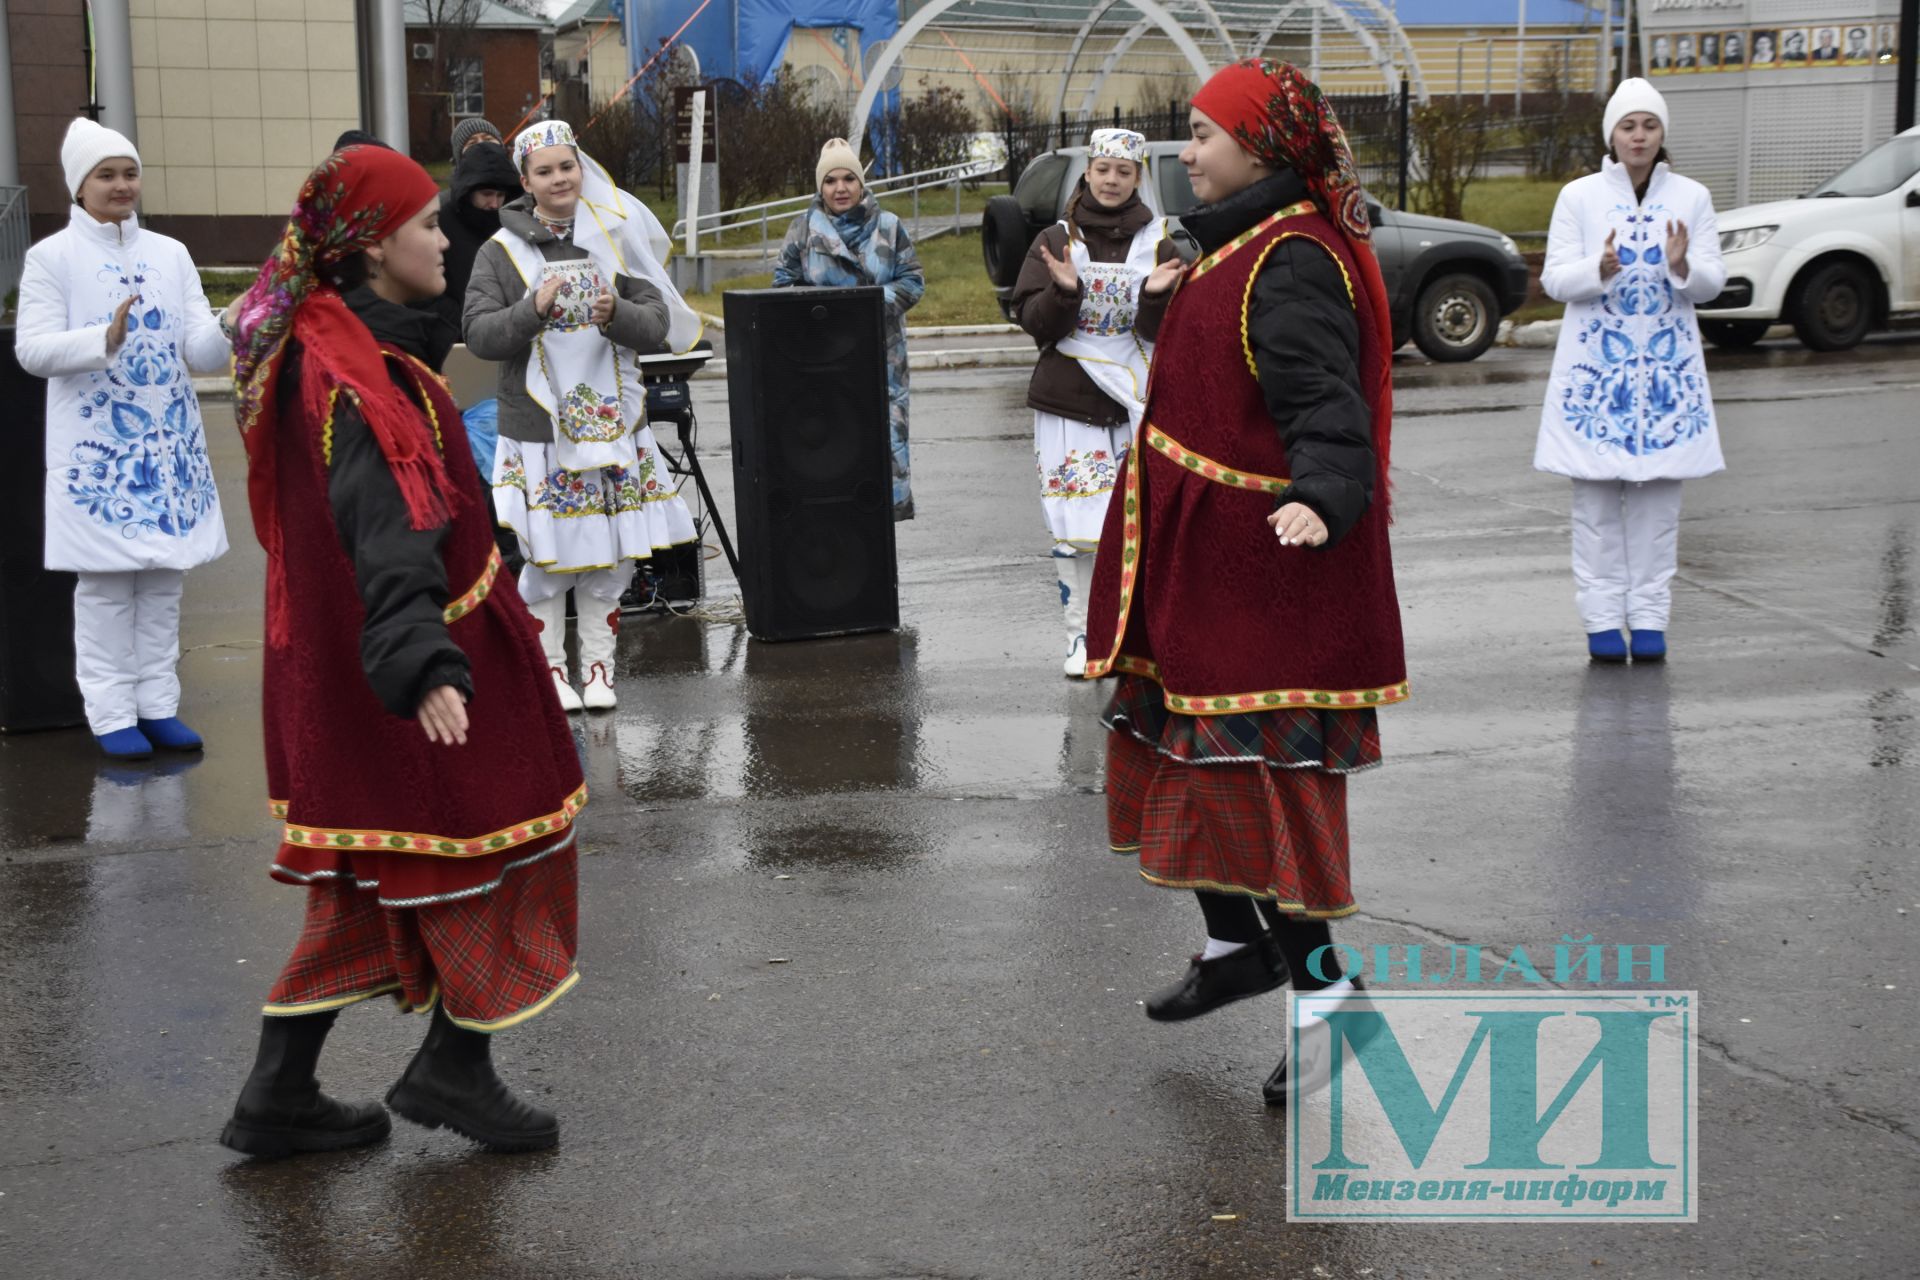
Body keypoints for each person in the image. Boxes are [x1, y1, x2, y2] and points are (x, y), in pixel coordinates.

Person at [217, 144, 587, 1157]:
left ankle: (280, 1087)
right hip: (424, 669)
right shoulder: (360, 379)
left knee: (366, 880)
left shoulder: (328, 350)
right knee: (505, 852)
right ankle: (454, 1067)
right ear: (377, 248)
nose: (443, 239)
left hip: (360, 673)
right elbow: (384, 528)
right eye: (427, 224)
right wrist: (422, 661)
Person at [1083, 59, 1407, 1105]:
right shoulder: (1239, 246)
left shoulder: (1293, 259)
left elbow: (1325, 398)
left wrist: (1327, 491)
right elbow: (1218, 374)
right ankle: (1236, 947)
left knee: (1256, 800)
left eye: (1205, 134)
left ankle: (1328, 1004)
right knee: (1189, 772)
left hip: (1260, 584)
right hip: (1202, 576)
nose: (1187, 150)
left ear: (1260, 151)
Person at [464, 119, 703, 712]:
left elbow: (658, 322)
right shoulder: (499, 252)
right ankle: (548, 670)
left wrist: (613, 309)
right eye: (544, 171)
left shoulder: (612, 235)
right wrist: (532, 310)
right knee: (550, 557)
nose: (558, 179)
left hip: (614, 426)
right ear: (526, 180)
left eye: (566, 167)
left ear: (580, 167)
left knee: (614, 553)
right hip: (540, 430)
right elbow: (479, 334)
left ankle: (599, 668)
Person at [14, 118, 230, 760]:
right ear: (79, 186)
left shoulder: (170, 253)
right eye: (106, 174)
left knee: (164, 583)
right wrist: (101, 341)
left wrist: (235, 321)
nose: (121, 185)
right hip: (100, 457)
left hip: (169, 449)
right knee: (107, 589)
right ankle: (110, 712)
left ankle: (157, 705)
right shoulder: (50, 258)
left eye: (129, 172)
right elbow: (31, 350)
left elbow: (199, 349)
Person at [1536, 79, 1725, 665]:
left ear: (1662, 134)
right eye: (1628, 126)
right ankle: (1599, 620)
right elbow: (1553, 280)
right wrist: (1599, 266)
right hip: (1598, 375)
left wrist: (1683, 264)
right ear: (1611, 136)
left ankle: (1648, 620)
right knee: (1594, 508)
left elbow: (1713, 282)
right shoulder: (1580, 197)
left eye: (1649, 126)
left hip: (1667, 380)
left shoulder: (1692, 197)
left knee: (1658, 510)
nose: (1639, 136)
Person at [1010, 129, 1181, 677]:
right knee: (1076, 528)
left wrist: (1154, 298)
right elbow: (1035, 326)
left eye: (1123, 171)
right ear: (1088, 172)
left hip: (1136, 403)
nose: (1111, 180)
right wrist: (1063, 291)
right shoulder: (1056, 239)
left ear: (1138, 178)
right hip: (1068, 403)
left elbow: (1172, 334)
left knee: (1137, 524)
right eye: (1103, 169)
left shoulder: (1161, 243)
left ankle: (1135, 637)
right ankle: (1080, 637)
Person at [773, 138, 926, 521]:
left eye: (848, 179)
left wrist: (867, 304)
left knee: (881, 453)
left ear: (861, 183)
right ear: (819, 187)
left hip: (880, 360)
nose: (840, 188)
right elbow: (781, 285)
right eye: (830, 181)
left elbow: (912, 282)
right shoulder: (803, 230)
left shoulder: (889, 227)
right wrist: (824, 312)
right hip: (822, 362)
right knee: (831, 454)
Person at [422, 137, 520, 350]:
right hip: (455, 342)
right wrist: (467, 324)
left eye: (501, 195)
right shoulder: (440, 220)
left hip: (512, 335)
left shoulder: (514, 222)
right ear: (468, 191)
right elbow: (423, 289)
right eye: (486, 194)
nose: (494, 203)